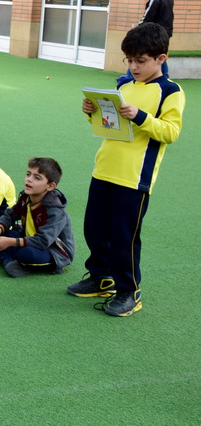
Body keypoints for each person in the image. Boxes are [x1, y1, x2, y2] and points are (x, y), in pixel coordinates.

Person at [70, 23, 184, 317]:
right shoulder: (122, 85)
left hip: (134, 178)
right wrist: (92, 113)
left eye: (141, 61)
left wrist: (140, 116)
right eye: (129, 60)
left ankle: (128, 291)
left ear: (161, 58)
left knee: (125, 237)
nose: (133, 66)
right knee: (94, 229)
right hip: (104, 168)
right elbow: (109, 127)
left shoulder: (170, 91)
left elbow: (170, 132)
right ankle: (101, 277)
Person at [0, 157, 75, 278]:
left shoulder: (55, 211)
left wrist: (11, 242)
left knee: (26, 253)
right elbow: (10, 214)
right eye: (28, 174)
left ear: (50, 186)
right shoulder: (26, 197)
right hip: (27, 239)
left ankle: (2, 256)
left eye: (37, 178)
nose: (29, 180)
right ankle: (8, 261)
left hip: (52, 251)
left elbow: (43, 241)